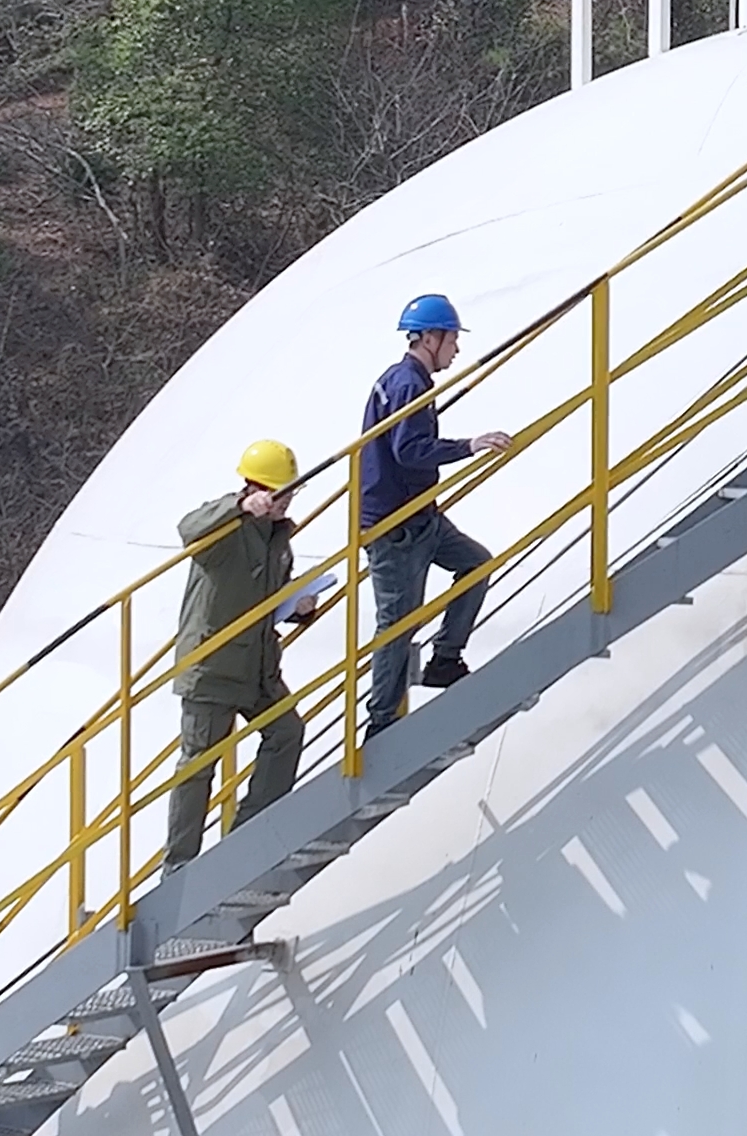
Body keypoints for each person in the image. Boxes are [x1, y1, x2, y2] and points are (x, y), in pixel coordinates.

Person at [164, 437, 326, 869]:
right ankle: (179, 866)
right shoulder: (224, 530)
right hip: (213, 667)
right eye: (281, 493)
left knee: (287, 732)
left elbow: (265, 597)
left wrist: (297, 608)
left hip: (257, 667)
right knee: (198, 766)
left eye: (291, 492)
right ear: (257, 489)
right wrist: (237, 508)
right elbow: (188, 528)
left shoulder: (278, 538)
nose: (288, 501)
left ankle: (247, 833)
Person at [361, 293, 511, 733]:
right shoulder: (408, 385)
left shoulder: (406, 381)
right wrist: (470, 445)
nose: (456, 349)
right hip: (396, 525)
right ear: (429, 338)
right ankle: (382, 722)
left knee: (476, 564)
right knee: (397, 625)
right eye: (451, 339)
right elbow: (409, 451)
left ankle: (445, 657)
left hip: (417, 515)